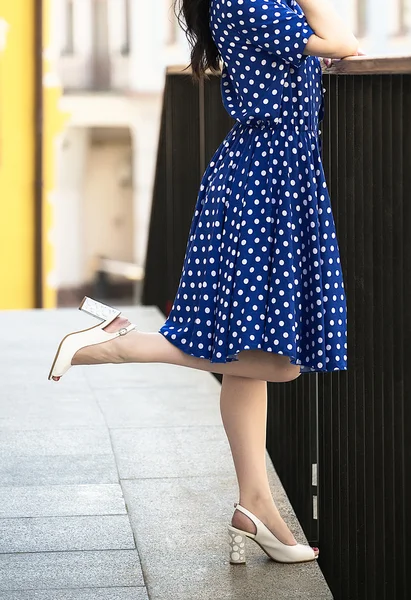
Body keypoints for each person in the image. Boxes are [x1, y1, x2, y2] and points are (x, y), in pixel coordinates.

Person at [49, 0, 359, 565]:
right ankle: (121, 344)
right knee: (281, 362)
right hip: (265, 187)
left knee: (250, 354)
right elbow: (344, 42)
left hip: (269, 181)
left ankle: (255, 505)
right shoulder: (248, 3)